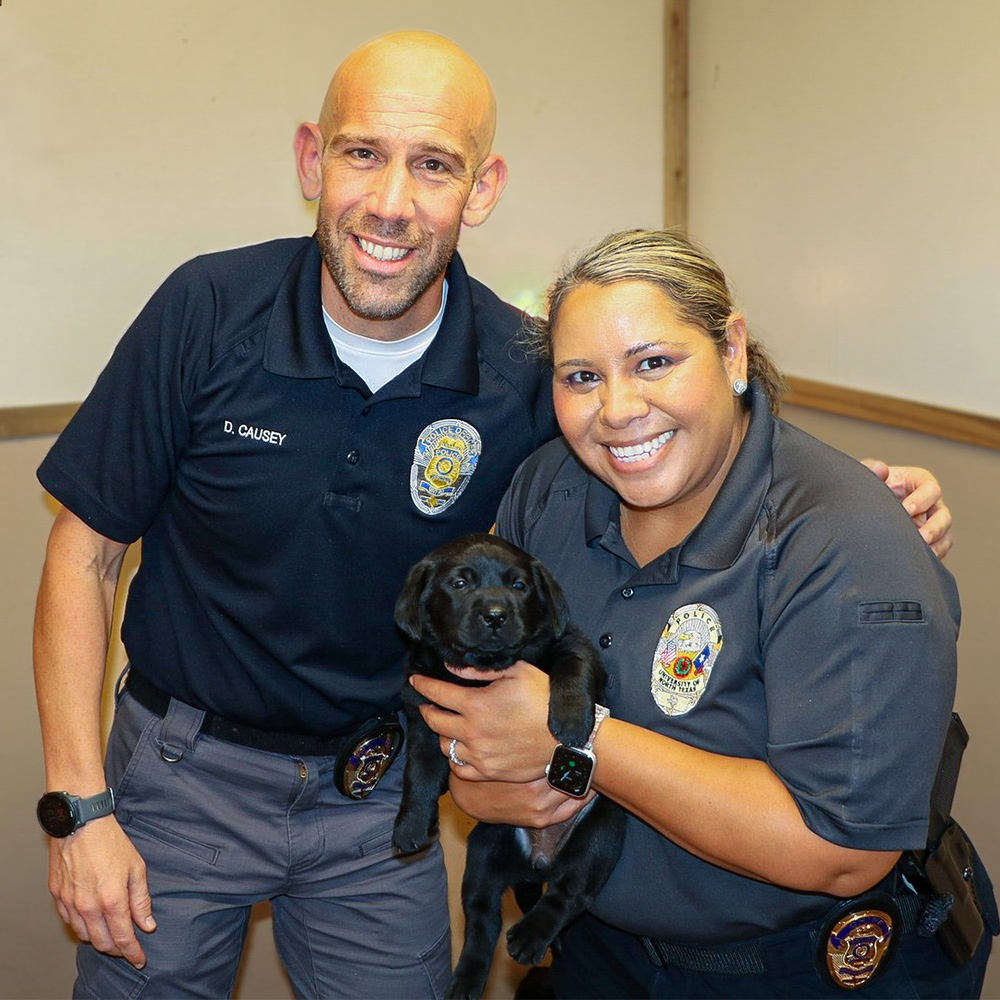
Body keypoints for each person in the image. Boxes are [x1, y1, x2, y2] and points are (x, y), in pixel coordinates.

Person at [32, 29, 953, 999]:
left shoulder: (528, 373)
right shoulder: (205, 310)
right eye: (361, 154)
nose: (391, 203)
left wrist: (857, 496)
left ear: (482, 189)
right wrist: (78, 806)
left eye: (433, 165)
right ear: (311, 161)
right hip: (180, 776)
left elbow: (661, 443)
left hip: (384, 791)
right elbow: (85, 552)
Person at [411, 229, 997, 998]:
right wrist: (491, 768)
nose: (618, 410)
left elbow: (842, 850)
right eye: (580, 376)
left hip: (797, 970)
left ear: (732, 352)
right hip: (594, 951)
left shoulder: (844, 542)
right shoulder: (546, 490)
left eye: (655, 362)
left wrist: (577, 740)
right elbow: (479, 744)